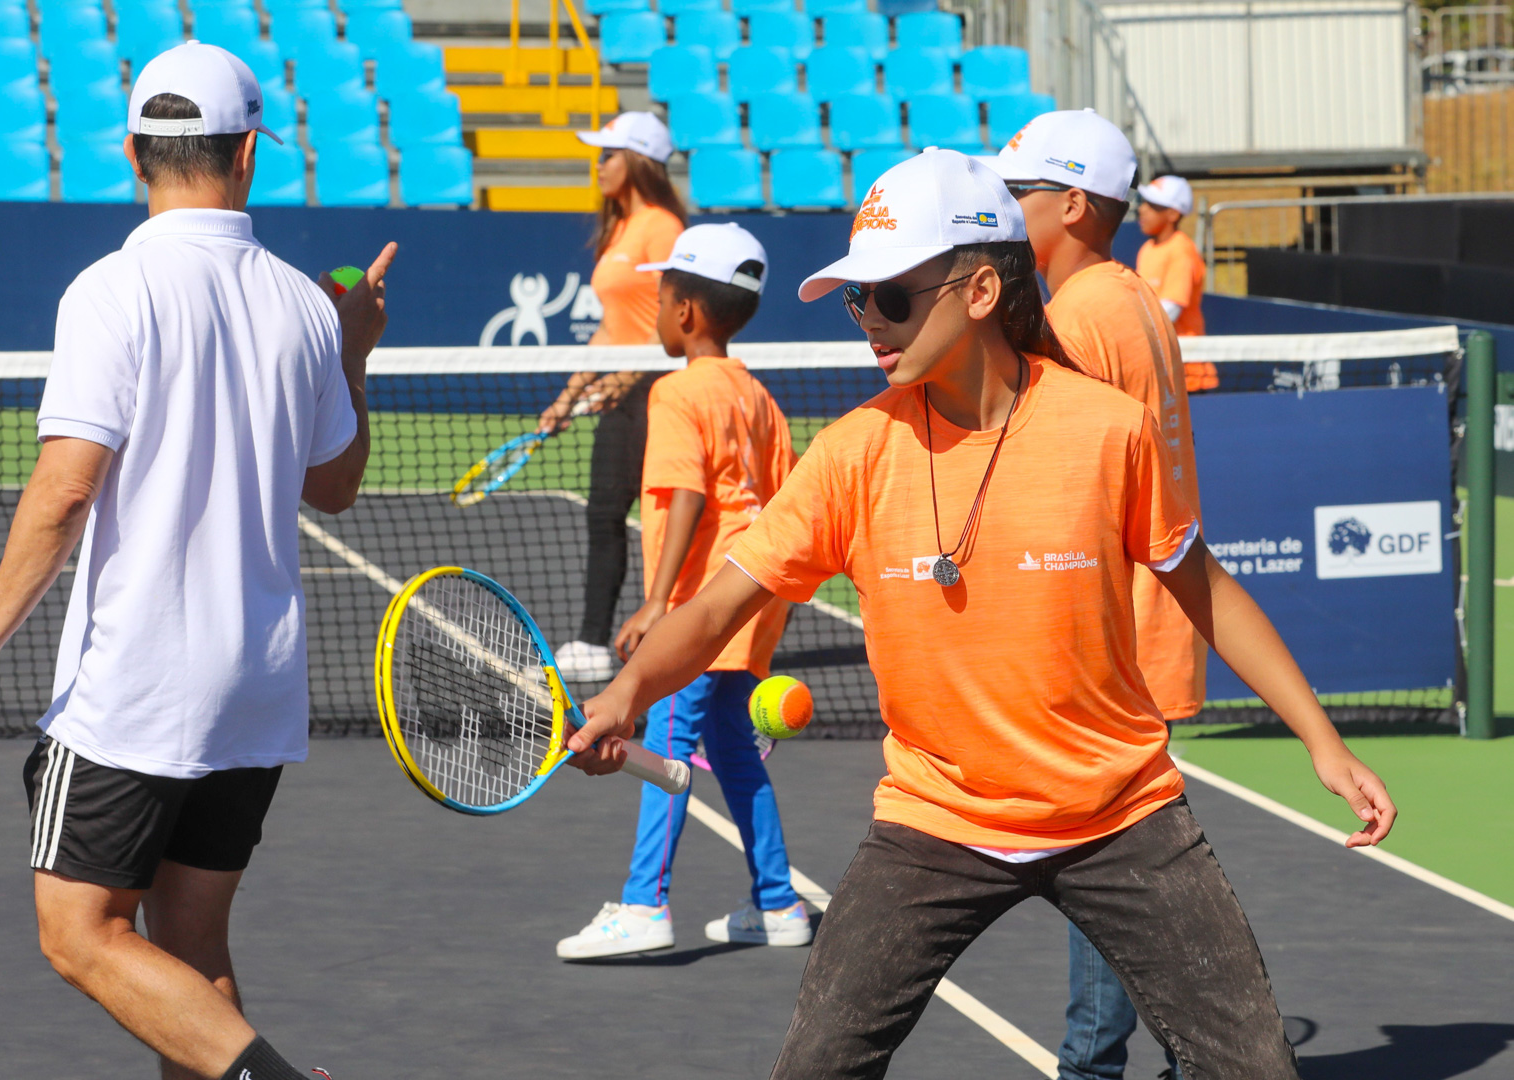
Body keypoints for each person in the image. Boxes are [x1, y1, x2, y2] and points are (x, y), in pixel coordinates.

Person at [565, 149, 1396, 1079]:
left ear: (981, 290)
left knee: (1254, 1070)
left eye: (893, 296)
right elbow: (720, 600)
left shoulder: (1103, 431)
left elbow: (1205, 587)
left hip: (1120, 812)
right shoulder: (853, 455)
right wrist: (630, 689)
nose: (870, 321)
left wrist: (1324, 742)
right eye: (858, 300)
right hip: (934, 818)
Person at [0, 44, 395, 1080]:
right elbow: (335, 487)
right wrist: (352, 348)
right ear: (252, 151)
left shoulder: (108, 291)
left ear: (131, 151)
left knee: (77, 933)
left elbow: (67, 485)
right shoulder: (307, 306)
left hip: (140, 686)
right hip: (256, 689)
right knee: (192, 951)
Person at [993, 109, 1207, 1080]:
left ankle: (1094, 1069)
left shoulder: (1079, 317)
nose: (1005, 214)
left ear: (1073, 203)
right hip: (1138, 632)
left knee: (1111, 875)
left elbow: (1053, 483)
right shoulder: (1127, 304)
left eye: (1019, 196)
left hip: (1109, 642)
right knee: (1142, 877)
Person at [556, 224, 810, 959]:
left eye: (663, 298)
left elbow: (690, 494)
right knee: (730, 749)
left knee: (663, 741)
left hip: (702, 608)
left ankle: (644, 905)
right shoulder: (759, 397)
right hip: (752, 604)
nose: (658, 311)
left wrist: (658, 602)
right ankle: (780, 903)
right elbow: (784, 502)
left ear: (687, 312)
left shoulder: (677, 393)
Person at [542, 111, 688, 683]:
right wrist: (568, 394)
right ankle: (595, 641)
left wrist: (629, 377)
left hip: (660, 389)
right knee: (604, 514)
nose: (599, 165)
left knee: (655, 518)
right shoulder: (620, 228)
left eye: (609, 154)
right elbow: (610, 328)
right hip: (624, 390)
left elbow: (672, 316)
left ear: (638, 162)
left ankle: (671, 636)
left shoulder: (662, 227)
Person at [1135, 174, 1217, 393]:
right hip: (1159, 370)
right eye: (1144, 203)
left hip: (1189, 374)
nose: (1142, 209)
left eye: (1153, 205)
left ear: (1173, 214)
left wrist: (1127, 330)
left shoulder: (1182, 251)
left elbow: (1169, 310)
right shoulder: (1147, 250)